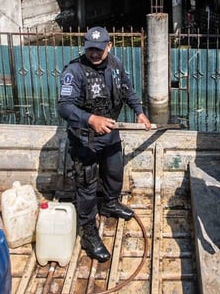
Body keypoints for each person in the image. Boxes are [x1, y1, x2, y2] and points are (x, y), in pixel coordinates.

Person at [57, 26, 151, 262]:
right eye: (90, 48)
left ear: (109, 46)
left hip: (110, 134)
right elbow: (64, 106)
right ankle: (89, 233)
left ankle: (110, 203)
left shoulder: (115, 65)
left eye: (99, 49)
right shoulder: (74, 71)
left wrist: (139, 111)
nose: (95, 53)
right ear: (84, 47)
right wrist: (90, 119)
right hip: (83, 139)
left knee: (113, 172)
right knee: (87, 187)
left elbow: (127, 88)